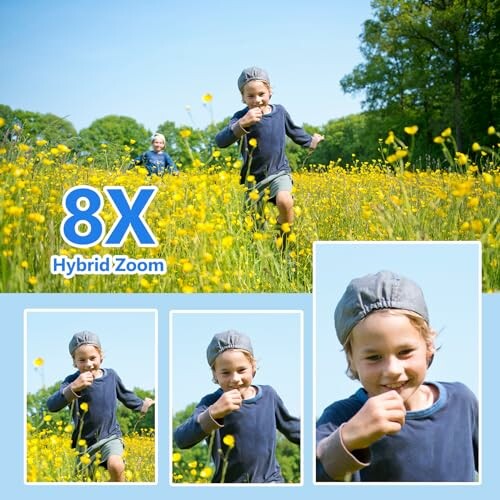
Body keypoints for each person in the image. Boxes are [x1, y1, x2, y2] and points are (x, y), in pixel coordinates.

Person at [316, 270, 478, 482]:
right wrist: (347, 439)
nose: (392, 369)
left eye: (405, 352)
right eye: (374, 357)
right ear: (351, 360)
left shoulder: (462, 402)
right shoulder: (342, 417)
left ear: (429, 345)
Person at [174, 330, 300, 483]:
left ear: (253, 366)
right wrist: (213, 413)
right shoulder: (212, 402)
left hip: (271, 482)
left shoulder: (269, 395)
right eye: (225, 373)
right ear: (215, 374)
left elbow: (294, 429)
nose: (235, 379)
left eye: (241, 370)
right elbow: (181, 439)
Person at [215, 67, 323, 245]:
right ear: (242, 97)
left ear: (270, 91)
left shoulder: (279, 112)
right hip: (253, 180)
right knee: (254, 230)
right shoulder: (241, 116)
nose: (257, 100)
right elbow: (221, 141)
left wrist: (311, 141)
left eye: (261, 94)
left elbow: (294, 131)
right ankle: (261, 255)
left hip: (279, 172)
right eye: (250, 96)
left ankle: (283, 242)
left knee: (285, 200)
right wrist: (243, 123)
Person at [46, 331, 155, 482]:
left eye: (92, 358)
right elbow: (52, 405)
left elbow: (125, 395)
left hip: (110, 436)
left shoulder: (111, 376)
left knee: (116, 465)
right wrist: (74, 387)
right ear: (74, 361)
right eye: (82, 360)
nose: (88, 364)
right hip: (84, 445)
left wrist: (142, 405)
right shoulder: (72, 381)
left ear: (101, 356)